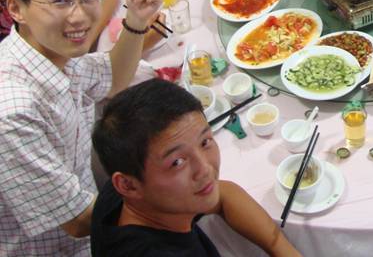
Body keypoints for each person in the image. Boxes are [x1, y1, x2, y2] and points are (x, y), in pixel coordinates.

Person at [0, 0, 162, 256]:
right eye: (61, 0)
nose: (80, 15)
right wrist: (171, 195)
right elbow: (75, 220)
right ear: (15, 9)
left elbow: (114, 78)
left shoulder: (53, 53)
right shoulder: (12, 110)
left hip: (90, 217)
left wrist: (137, 19)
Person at [91, 78, 300, 257]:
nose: (205, 169)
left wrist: (281, 249)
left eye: (205, 142)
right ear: (127, 185)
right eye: (177, 162)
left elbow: (223, 194)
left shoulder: (125, 193)